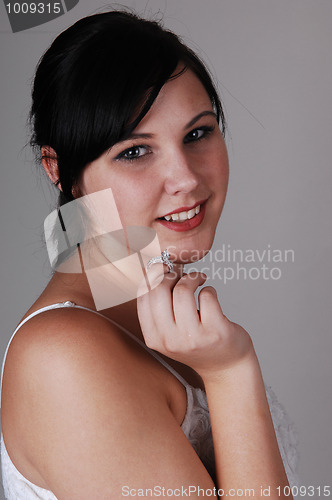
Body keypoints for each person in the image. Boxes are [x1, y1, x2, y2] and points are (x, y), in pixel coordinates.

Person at [0, 10, 298, 500]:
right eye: (135, 152)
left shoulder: (146, 297)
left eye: (198, 133)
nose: (185, 179)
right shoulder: (63, 358)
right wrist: (230, 373)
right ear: (60, 170)